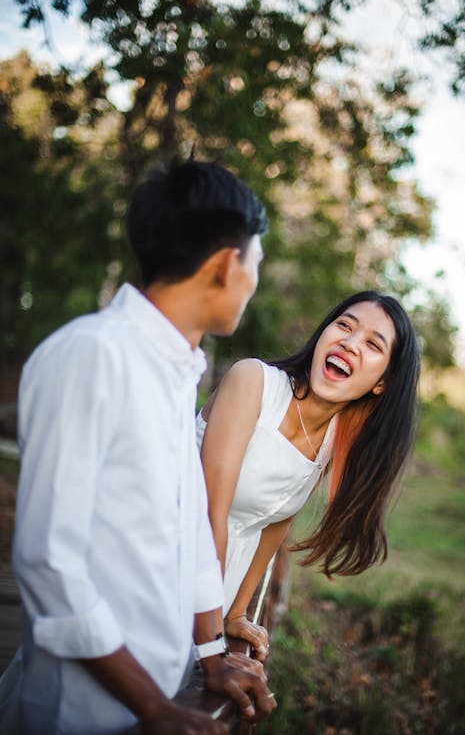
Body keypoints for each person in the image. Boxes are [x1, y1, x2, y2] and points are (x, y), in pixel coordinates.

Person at [0, 160, 277, 735]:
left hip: (164, 689)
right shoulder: (93, 355)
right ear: (228, 265)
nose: (253, 281)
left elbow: (192, 534)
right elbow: (47, 560)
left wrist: (208, 658)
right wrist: (151, 705)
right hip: (79, 712)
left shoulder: (176, 373)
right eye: (256, 264)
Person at [197, 291, 420, 660]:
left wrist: (236, 612)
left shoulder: (334, 440)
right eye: (344, 326)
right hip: (172, 557)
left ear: (383, 382)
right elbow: (208, 513)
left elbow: (275, 521)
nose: (350, 343)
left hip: (217, 587)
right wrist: (208, 639)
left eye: (372, 344)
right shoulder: (252, 382)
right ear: (322, 336)